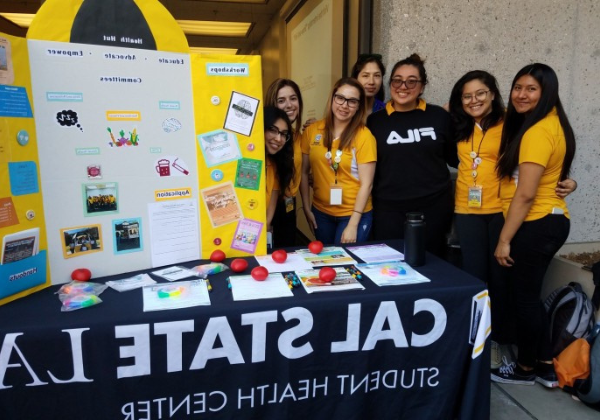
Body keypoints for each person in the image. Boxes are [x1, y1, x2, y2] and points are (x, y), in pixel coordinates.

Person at [448, 70, 577, 370]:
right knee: (474, 278)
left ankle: (499, 342)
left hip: (501, 213)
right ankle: (475, 338)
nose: (474, 100)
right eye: (467, 96)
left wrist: (569, 182)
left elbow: (540, 166)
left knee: (502, 282)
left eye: (481, 93)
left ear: (494, 93)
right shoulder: (456, 123)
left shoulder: (514, 121)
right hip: (467, 212)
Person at [491, 63, 576, 388]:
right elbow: (552, 179)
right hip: (549, 219)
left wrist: (504, 239)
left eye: (531, 89)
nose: (521, 95)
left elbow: (525, 194)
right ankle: (544, 364)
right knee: (528, 296)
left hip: (535, 222)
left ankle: (525, 368)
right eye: (518, 87)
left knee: (524, 299)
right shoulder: (550, 124)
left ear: (546, 93)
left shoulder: (539, 131)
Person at [367, 53, 458, 258]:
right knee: (390, 264)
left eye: (411, 81)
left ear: (422, 86)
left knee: (432, 263)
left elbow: (455, 158)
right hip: (388, 209)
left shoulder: (439, 117)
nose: (403, 86)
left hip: (434, 207)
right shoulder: (375, 122)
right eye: (397, 80)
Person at [300, 77, 376, 244]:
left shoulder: (364, 136)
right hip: (321, 212)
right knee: (327, 261)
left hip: (353, 213)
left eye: (352, 101)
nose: (344, 105)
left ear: (358, 107)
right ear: (332, 98)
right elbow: (303, 173)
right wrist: (306, 208)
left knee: (345, 262)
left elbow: (367, 184)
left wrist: (353, 224)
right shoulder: (312, 131)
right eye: (340, 98)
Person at [265, 79, 304, 247]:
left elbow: (301, 171)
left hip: (288, 203)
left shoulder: (299, 136)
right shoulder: (265, 141)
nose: (289, 105)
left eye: (293, 98)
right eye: (281, 100)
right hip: (263, 205)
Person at [263, 106, 295, 247]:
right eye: (273, 130)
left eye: (283, 134)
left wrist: (267, 224)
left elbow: (274, 195)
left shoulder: (274, 164)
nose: (278, 138)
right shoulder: (246, 162)